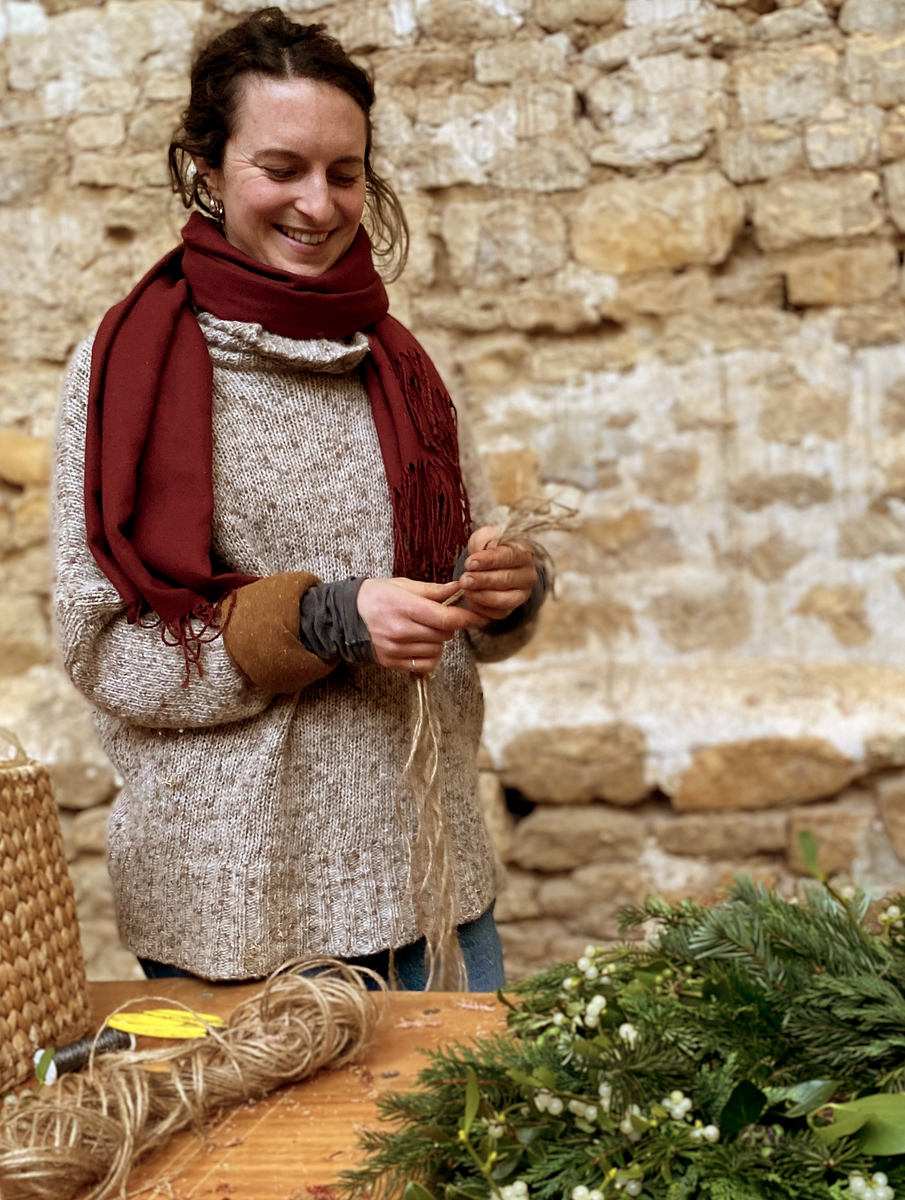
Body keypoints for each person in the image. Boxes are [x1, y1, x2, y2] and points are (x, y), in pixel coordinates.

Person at [51, 7, 544, 991]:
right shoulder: (126, 371)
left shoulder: (407, 366)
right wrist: (323, 618)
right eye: (281, 169)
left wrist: (505, 591)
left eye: (344, 172)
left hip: (435, 883)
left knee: (467, 1147)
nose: (319, 204)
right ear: (207, 165)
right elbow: (102, 646)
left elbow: (467, 607)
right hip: (240, 908)